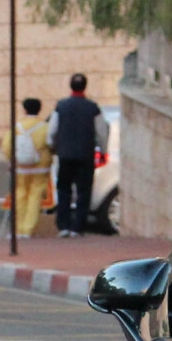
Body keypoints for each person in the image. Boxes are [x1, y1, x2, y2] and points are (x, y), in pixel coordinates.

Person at [49, 72, 107, 238]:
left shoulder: (61, 106)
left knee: (64, 189)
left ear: (70, 86)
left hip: (65, 155)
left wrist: (54, 147)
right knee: (83, 191)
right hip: (85, 155)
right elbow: (102, 132)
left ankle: (63, 225)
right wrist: (103, 151)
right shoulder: (92, 108)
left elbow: (52, 131)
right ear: (85, 87)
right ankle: (78, 227)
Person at [4, 96, 50, 239]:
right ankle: (29, 229)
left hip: (21, 166)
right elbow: (51, 144)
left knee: (20, 194)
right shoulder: (44, 127)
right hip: (40, 167)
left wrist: (11, 159)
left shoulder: (17, 127)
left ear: (24, 109)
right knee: (35, 196)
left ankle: (18, 229)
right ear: (39, 109)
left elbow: (6, 145)